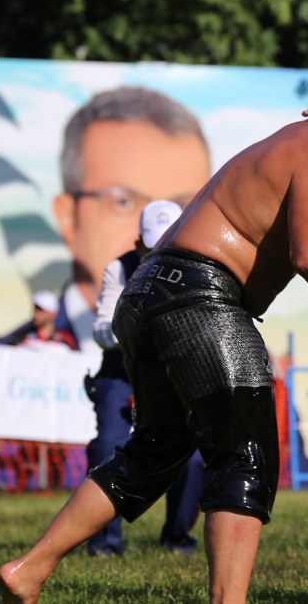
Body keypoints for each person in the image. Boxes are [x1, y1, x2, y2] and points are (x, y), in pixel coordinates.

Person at [0, 76, 308, 604]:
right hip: (201, 298)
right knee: (246, 457)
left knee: (153, 452)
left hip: (146, 292)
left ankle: (29, 570)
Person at [48, 86, 212, 353]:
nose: (159, 256)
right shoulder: (25, 351)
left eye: (184, 206)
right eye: (123, 201)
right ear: (68, 217)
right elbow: (105, 327)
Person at [85, 199, 204, 557]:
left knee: (193, 460)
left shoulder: (197, 270)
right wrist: (135, 328)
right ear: (138, 243)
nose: (157, 253)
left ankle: (176, 538)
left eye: (167, 243)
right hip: (120, 372)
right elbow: (101, 330)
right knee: (107, 448)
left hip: (171, 375)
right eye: (151, 246)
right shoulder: (118, 269)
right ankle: (105, 545)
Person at [0, 290, 77, 351]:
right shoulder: (22, 336)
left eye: (41, 310)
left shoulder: (65, 339)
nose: (36, 314)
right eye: (35, 309)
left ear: (52, 314)